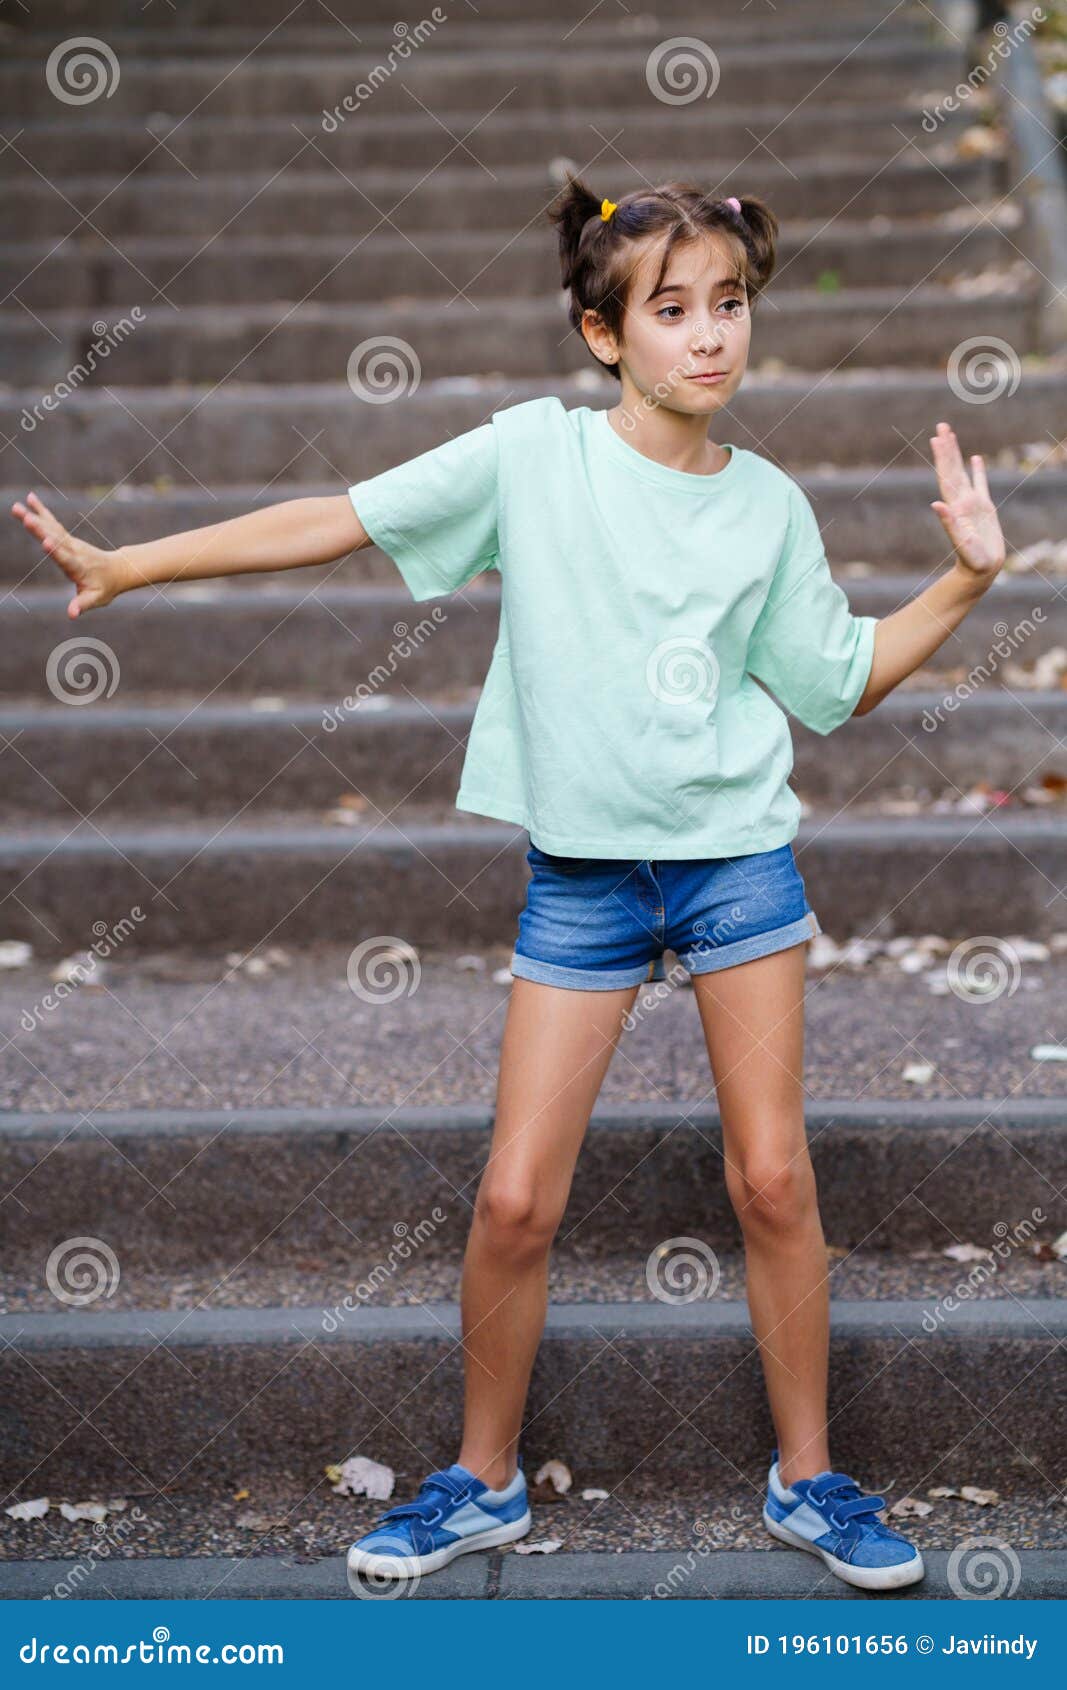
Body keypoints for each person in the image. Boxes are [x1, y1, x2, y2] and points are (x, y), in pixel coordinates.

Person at [11, 175, 1005, 1594]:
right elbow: (336, 517)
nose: (711, 336)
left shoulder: (770, 506)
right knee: (515, 1202)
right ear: (606, 337)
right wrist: (130, 563)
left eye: (730, 305)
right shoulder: (531, 460)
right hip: (585, 885)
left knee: (774, 1177)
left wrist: (963, 582)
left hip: (734, 866)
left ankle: (814, 1476)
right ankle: (477, 1481)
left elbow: (837, 682)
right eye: (673, 311)